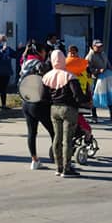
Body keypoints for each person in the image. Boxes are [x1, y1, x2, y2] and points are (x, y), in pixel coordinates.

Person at [43, 49, 86, 177]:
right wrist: (86, 101)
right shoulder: (70, 76)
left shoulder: (47, 76)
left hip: (54, 108)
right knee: (67, 139)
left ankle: (58, 166)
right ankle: (67, 168)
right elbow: (78, 96)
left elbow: (43, 96)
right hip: (69, 109)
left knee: (57, 137)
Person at [20, 41, 55, 170]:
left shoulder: (25, 62)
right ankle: (59, 158)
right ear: (41, 51)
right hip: (38, 102)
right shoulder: (39, 63)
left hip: (26, 100)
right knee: (54, 131)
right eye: (44, 51)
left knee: (31, 132)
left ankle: (34, 160)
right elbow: (46, 78)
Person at [85, 40, 112, 122]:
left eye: (101, 46)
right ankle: (94, 116)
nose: (100, 48)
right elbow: (87, 69)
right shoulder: (90, 56)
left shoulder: (103, 53)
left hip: (105, 78)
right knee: (94, 97)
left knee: (109, 95)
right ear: (93, 46)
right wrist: (98, 71)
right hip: (95, 79)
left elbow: (107, 63)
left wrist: (111, 69)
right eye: (97, 46)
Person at [0, 34, 17, 111]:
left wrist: (20, 49)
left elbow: (15, 55)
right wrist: (2, 51)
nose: (4, 42)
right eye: (3, 40)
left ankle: (4, 105)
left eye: (5, 40)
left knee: (4, 89)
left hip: (6, 72)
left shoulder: (8, 49)